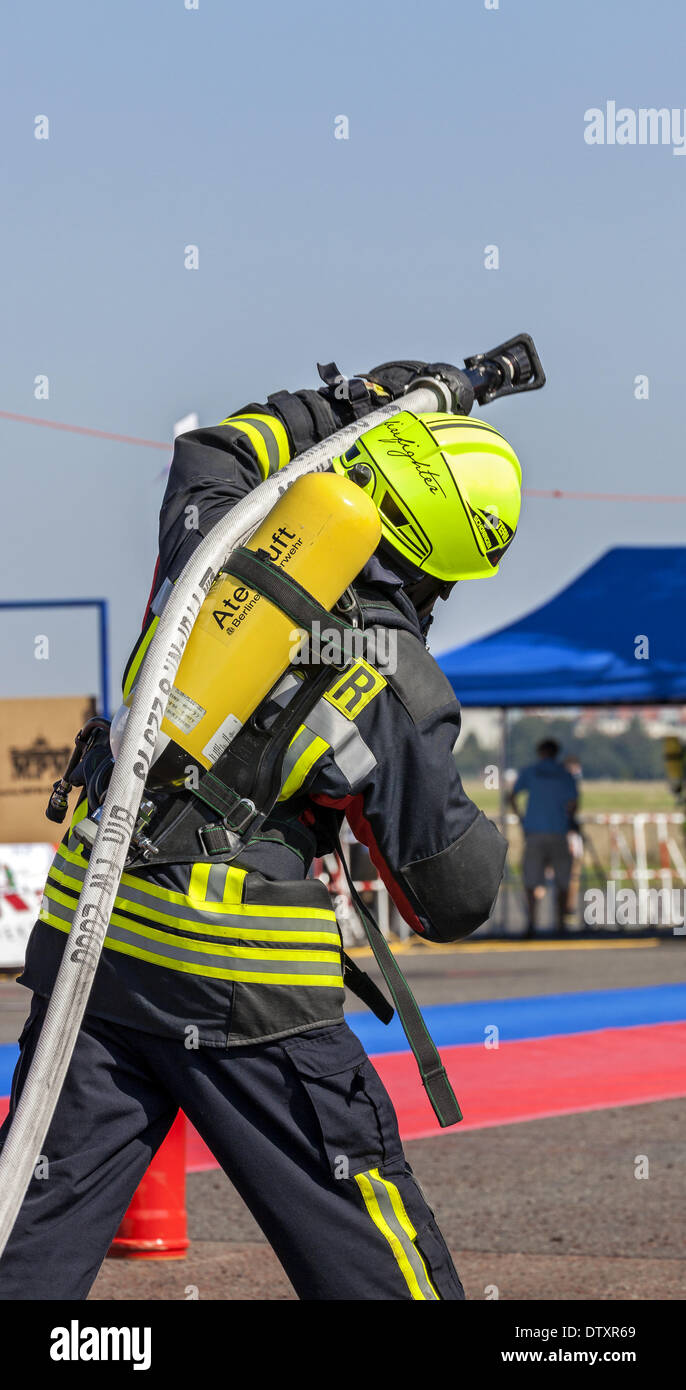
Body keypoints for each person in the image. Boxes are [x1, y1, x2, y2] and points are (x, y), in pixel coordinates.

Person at [0, 357, 522, 1301]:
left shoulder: (213, 534)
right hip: (241, 989)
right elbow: (453, 892)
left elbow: (223, 443)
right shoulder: (387, 675)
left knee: (27, 1234)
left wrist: (356, 398)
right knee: (374, 1252)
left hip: (97, 950)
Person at [509, 738, 579, 937]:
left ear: (540, 752)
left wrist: (521, 819)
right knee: (562, 882)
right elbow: (573, 803)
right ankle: (561, 924)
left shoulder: (530, 771)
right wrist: (568, 820)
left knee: (531, 881)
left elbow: (512, 795)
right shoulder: (565, 774)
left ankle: (531, 923)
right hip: (558, 832)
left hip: (534, 833)